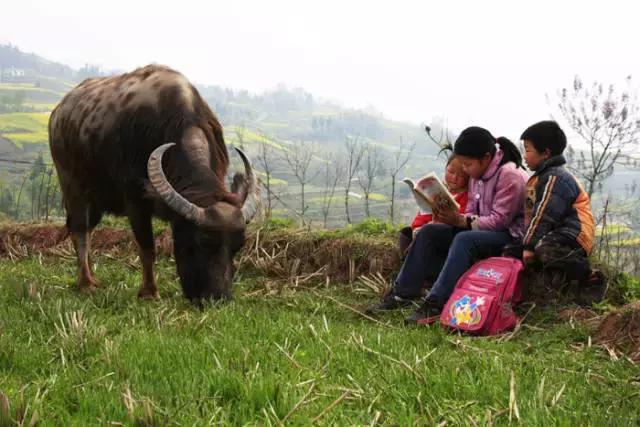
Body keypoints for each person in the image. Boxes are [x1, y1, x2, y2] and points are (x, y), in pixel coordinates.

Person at [367, 126, 528, 324]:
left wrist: (461, 221)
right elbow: (471, 210)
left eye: (468, 165)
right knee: (430, 231)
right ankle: (402, 292)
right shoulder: (478, 174)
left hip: (508, 235)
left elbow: (500, 221)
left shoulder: (509, 176)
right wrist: (450, 217)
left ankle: (436, 302)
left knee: (463, 239)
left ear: (486, 158)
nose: (466, 171)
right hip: (480, 230)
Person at [517, 120, 604, 303]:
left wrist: (529, 246)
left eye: (528, 149)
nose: (524, 156)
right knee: (511, 250)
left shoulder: (556, 177)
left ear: (546, 153)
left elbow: (543, 216)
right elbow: (531, 217)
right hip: (554, 233)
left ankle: (588, 275)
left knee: (543, 249)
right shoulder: (538, 178)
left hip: (575, 232)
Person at [398, 152, 469, 257]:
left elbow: (462, 220)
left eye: (461, 175)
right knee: (406, 233)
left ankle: (412, 260)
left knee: (426, 234)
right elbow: (423, 213)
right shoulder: (437, 190)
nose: (454, 178)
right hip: (426, 229)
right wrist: (417, 228)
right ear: (446, 168)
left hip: (445, 234)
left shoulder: (467, 196)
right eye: (450, 172)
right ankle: (408, 259)